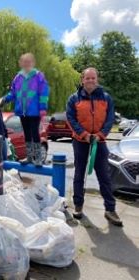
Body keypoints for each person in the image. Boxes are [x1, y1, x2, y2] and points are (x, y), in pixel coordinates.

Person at [66, 67, 122, 226]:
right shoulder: (74, 99)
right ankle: (78, 205)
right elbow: (71, 119)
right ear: (82, 80)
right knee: (79, 174)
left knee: (104, 176)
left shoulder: (106, 98)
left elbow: (110, 119)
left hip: (100, 142)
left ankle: (110, 209)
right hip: (80, 141)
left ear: (97, 79)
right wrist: (84, 134)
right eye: (87, 78)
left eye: (93, 78)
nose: (90, 80)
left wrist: (100, 135)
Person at [4, 53, 49, 166]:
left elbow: (44, 92)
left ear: (33, 63)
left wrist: (43, 107)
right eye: (24, 61)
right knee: (27, 134)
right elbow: (13, 92)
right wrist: (6, 98)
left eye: (28, 61)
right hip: (22, 111)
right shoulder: (18, 77)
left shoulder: (39, 76)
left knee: (35, 133)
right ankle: (29, 157)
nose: (26, 63)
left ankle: (37, 158)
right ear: (21, 63)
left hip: (34, 111)